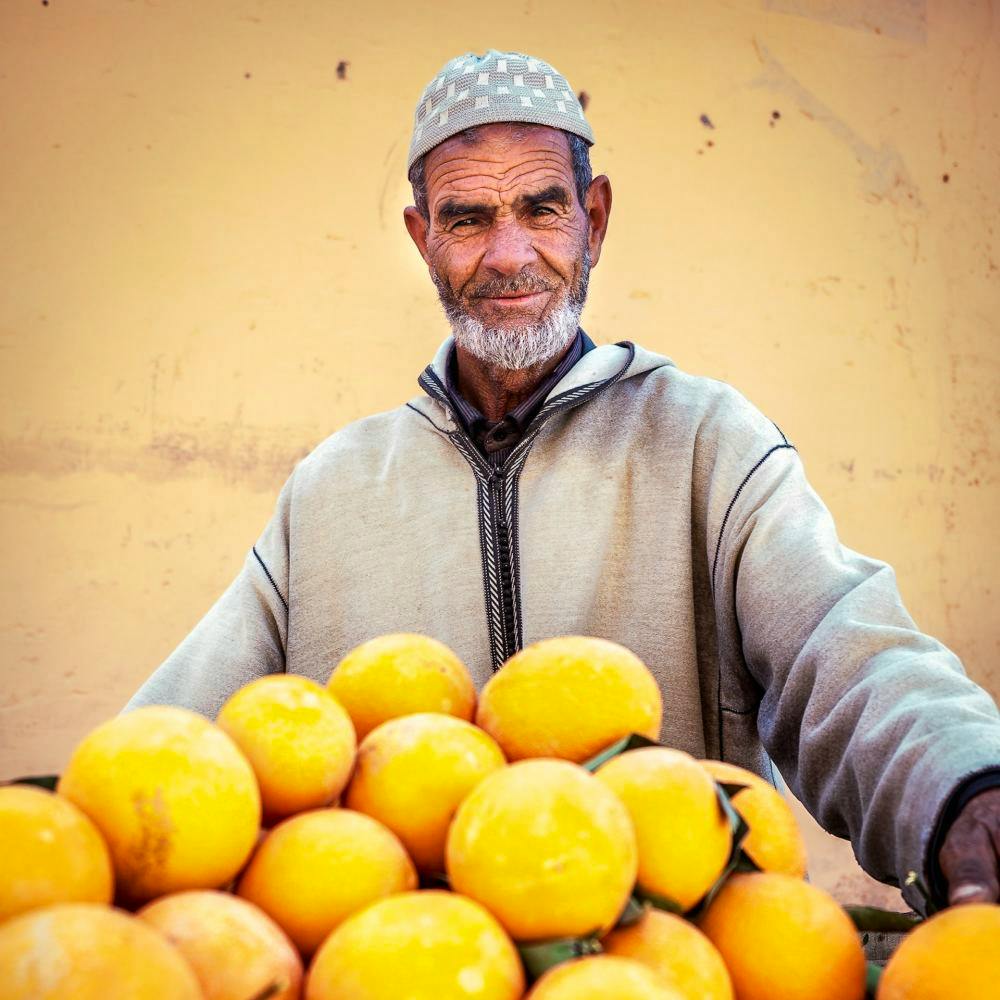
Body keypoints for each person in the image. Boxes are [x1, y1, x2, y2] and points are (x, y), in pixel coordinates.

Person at [126, 49, 1000, 915]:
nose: (509, 256)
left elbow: (845, 653)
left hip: (670, 969)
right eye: (466, 219)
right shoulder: (331, 494)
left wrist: (964, 788)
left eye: (541, 208)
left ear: (595, 216)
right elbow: (177, 741)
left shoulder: (706, 442)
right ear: (421, 237)